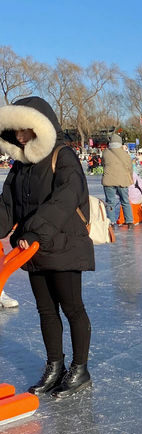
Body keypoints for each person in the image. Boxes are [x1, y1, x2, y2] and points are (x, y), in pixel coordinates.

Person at [0, 96, 94, 397]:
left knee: (72, 308)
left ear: (39, 125)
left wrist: (36, 230)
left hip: (64, 243)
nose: (19, 135)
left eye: (24, 128)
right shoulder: (20, 165)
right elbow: (7, 206)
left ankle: (80, 369)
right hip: (33, 248)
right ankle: (55, 367)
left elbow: (68, 196)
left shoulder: (63, 155)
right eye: (14, 129)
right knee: (45, 310)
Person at [102, 133, 134, 228]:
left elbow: (103, 164)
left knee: (110, 201)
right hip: (122, 180)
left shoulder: (105, 153)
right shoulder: (125, 155)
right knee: (125, 201)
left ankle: (111, 222)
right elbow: (130, 167)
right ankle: (129, 221)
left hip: (108, 180)